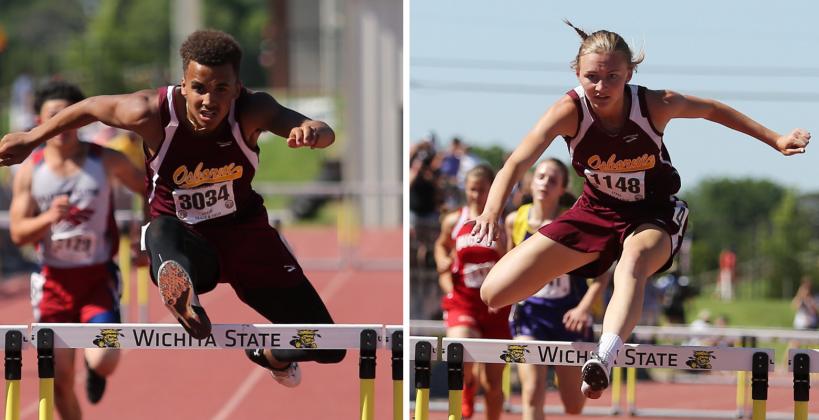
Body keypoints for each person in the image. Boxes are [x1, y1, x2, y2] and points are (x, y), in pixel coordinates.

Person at [471, 20, 810, 400]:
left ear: (630, 73)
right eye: (592, 77)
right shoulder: (567, 111)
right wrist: (491, 211)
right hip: (595, 213)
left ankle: (603, 357)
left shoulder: (653, 104)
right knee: (495, 292)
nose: (601, 87)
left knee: (632, 261)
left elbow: (712, 110)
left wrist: (775, 139)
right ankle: (584, 268)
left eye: (612, 76)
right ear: (577, 74)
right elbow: (516, 164)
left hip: (653, 214)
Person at [0, 29, 346, 388]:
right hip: (187, 241)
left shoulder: (253, 110)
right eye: (199, 88)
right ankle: (182, 293)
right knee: (162, 229)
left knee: (329, 343)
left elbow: (316, 126)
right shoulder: (149, 112)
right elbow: (89, 108)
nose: (209, 100)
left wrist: (312, 131)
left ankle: (270, 355)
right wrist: (31, 138)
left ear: (237, 87)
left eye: (221, 89)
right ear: (183, 84)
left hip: (247, 238)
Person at [8, 81, 144, 420]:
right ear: (40, 122)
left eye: (70, 118)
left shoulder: (107, 160)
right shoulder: (30, 170)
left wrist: (144, 231)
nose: (63, 127)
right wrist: (49, 219)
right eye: (54, 117)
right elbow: (18, 233)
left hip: (98, 278)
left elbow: (152, 189)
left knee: (106, 359)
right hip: (54, 282)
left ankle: (95, 369)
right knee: (59, 379)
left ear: (81, 121)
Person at [506, 158, 609, 419]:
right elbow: (507, 268)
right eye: (540, 177)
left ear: (562, 188)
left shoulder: (574, 224)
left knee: (573, 405)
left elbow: (602, 275)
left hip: (568, 316)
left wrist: (584, 308)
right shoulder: (515, 220)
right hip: (531, 316)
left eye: (553, 180)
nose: (545, 184)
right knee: (531, 391)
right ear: (531, 181)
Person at [435, 164, 509, 419]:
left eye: (482, 190)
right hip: (463, 302)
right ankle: (467, 388)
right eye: (472, 190)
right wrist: (442, 264)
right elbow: (441, 246)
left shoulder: (502, 224)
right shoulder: (455, 220)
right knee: (460, 357)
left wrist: (505, 294)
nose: (476, 195)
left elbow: (510, 262)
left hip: (495, 306)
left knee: (493, 384)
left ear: (492, 190)